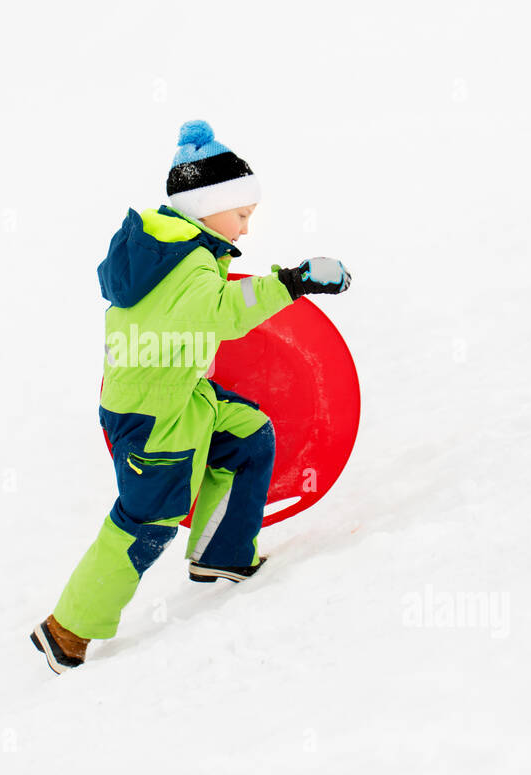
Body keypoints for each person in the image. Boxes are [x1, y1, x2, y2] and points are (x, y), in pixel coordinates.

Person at [31, 120, 352, 674]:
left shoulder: (167, 246)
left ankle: (221, 555)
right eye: (243, 214)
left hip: (178, 399)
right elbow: (224, 314)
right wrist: (295, 280)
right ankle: (68, 629)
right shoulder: (189, 263)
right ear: (209, 206)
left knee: (247, 435)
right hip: (154, 420)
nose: (247, 229)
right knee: (143, 525)